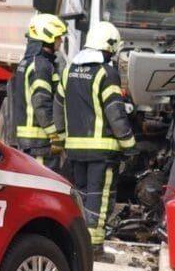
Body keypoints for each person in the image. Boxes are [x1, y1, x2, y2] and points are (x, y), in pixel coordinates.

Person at [55, 21, 136, 251]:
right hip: (102, 152)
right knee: (99, 201)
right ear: (109, 47)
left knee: (80, 197)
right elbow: (115, 113)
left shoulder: (69, 71)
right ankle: (93, 248)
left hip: (74, 151)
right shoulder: (106, 73)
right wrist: (129, 144)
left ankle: (79, 245)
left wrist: (61, 138)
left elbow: (58, 107)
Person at [10, 13, 68, 172]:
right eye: (58, 37)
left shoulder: (28, 62)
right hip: (40, 143)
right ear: (47, 37)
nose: (60, 41)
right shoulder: (41, 66)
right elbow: (41, 104)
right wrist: (54, 135)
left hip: (30, 143)